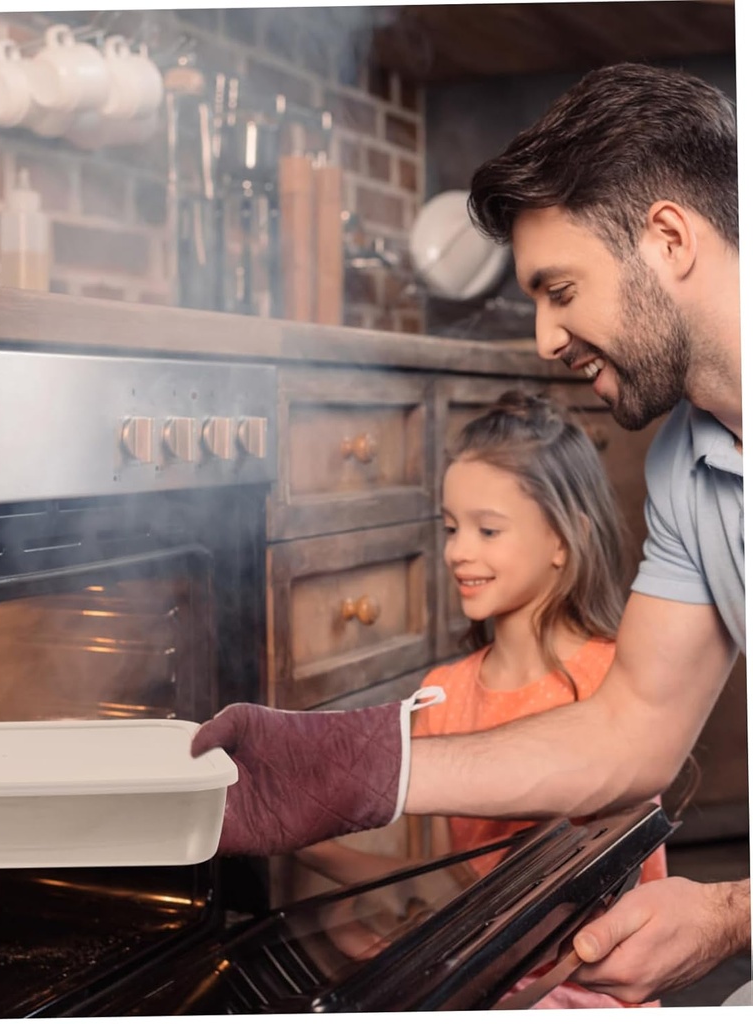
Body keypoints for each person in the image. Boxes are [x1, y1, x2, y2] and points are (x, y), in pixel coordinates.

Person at [191, 62, 750, 1006]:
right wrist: (361, 766)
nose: (544, 338)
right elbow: (632, 727)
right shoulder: (684, 466)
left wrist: (731, 914)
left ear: (667, 239)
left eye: (560, 288)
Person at [300, 390, 669, 1009]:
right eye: (449, 528)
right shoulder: (442, 695)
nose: (456, 550)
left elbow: (608, 917)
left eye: (487, 529)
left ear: (564, 538)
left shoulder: (619, 682)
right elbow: (458, 895)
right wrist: (313, 850)